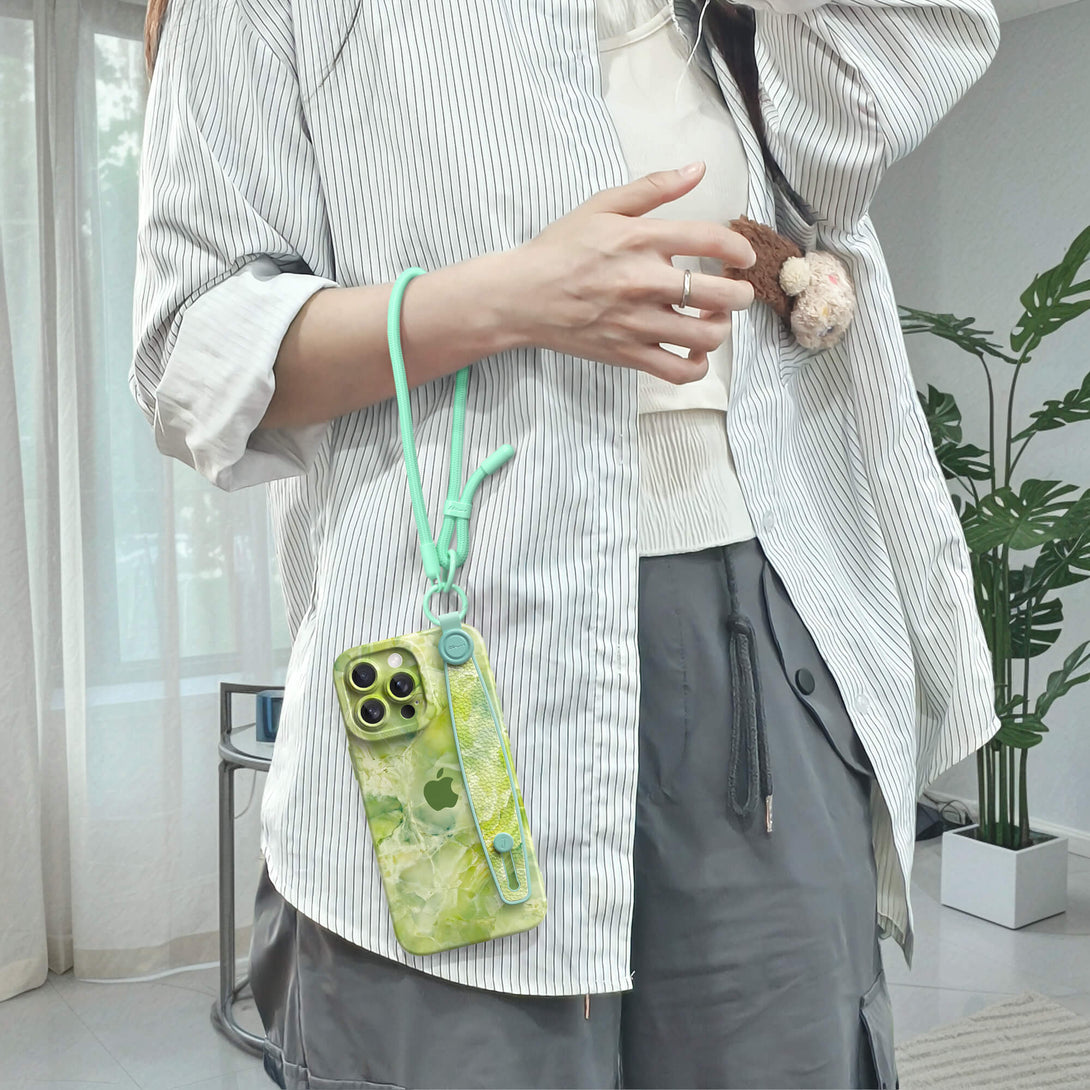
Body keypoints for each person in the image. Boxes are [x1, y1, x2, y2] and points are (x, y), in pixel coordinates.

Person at [130, 0, 1001, 1086]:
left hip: (767, 641)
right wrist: (506, 300)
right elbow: (189, 351)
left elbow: (875, 106)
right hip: (456, 651)